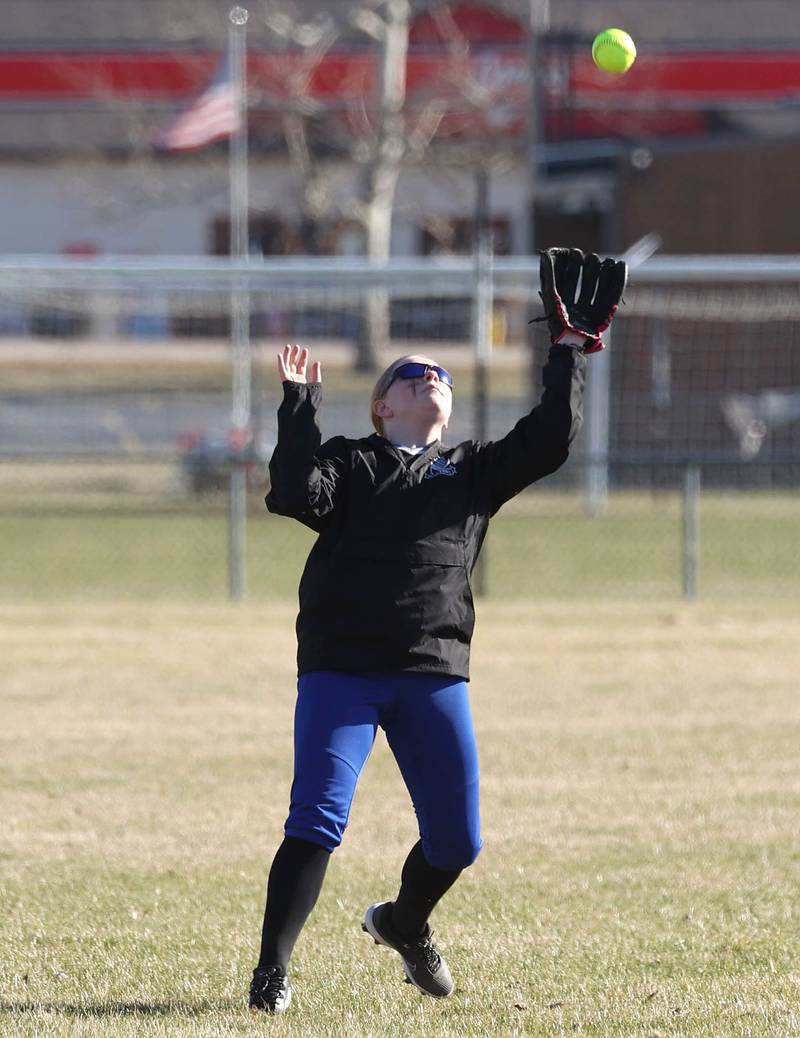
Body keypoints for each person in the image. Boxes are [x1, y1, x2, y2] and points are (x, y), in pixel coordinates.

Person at [249, 248, 627, 1014]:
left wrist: (566, 352)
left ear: (448, 412)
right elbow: (291, 493)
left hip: (432, 670)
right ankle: (271, 974)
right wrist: (297, 406)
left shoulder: (474, 473)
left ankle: (403, 921)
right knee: (317, 818)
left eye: (441, 377)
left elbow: (551, 439)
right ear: (381, 407)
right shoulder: (349, 462)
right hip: (342, 671)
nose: (429, 377)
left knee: (459, 843)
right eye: (408, 374)